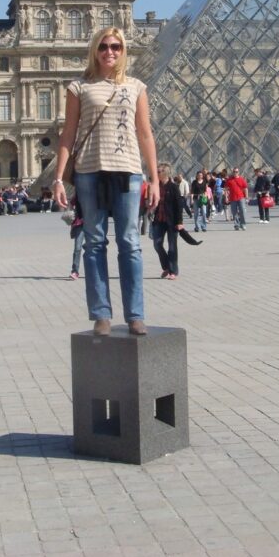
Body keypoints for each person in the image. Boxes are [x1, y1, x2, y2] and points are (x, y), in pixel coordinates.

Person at [53, 27, 159, 337]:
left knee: (130, 242)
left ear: (124, 50)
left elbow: (145, 133)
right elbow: (68, 134)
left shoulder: (136, 86)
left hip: (126, 170)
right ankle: (101, 314)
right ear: (94, 50)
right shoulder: (79, 87)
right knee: (94, 244)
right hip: (88, 170)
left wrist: (154, 178)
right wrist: (59, 179)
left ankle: (135, 315)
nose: (109, 52)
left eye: (115, 46)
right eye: (103, 46)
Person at [150, 163, 183, 280]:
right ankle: (166, 267)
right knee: (157, 244)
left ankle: (173, 271)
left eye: (158, 172)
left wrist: (179, 222)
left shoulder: (173, 187)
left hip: (172, 221)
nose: (156, 173)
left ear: (165, 173)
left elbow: (179, 206)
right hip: (159, 219)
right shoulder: (156, 186)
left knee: (172, 247)